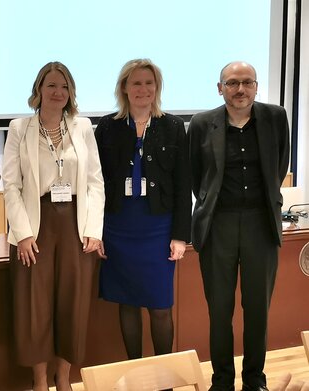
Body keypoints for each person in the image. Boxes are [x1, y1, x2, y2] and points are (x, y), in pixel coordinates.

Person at [3, 61, 105, 391]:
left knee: (72, 304)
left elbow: (95, 182)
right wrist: (22, 233)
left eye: (64, 86)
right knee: (35, 306)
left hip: (75, 223)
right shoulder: (20, 127)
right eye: (51, 85)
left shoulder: (83, 127)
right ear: (38, 90)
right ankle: (40, 381)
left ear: (70, 93)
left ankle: (64, 378)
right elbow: (11, 185)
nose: (57, 92)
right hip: (36, 224)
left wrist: (93, 229)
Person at [189, 61, 290, 391]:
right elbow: (196, 175)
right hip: (218, 224)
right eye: (232, 83)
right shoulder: (203, 124)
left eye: (247, 82)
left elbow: (279, 167)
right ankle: (221, 381)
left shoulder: (275, 118)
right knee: (220, 310)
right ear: (220, 88)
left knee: (257, 308)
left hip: (261, 224)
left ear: (257, 86)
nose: (240, 89)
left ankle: (254, 380)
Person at [94, 59, 191, 361]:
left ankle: (164, 376)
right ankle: (136, 370)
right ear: (124, 87)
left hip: (158, 228)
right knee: (128, 302)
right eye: (136, 83)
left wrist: (180, 236)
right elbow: (95, 183)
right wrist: (96, 233)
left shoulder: (172, 126)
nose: (143, 89)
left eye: (149, 83)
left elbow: (182, 183)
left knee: (161, 306)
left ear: (157, 88)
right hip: (119, 226)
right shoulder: (108, 127)